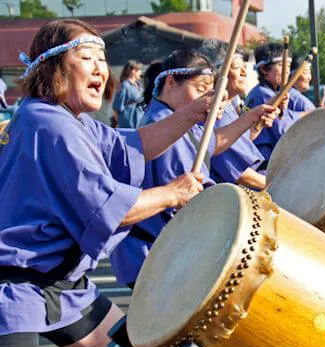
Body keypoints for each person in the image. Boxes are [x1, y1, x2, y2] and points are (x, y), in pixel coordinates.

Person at [0, 19, 220, 347]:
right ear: (53, 67)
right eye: (87, 57)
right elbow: (111, 208)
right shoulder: (49, 125)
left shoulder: (72, 120)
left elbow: (135, 145)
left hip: (59, 282)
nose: (101, 68)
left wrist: (192, 113)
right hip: (14, 284)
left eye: (103, 58)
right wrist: (173, 193)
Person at [109, 48, 277, 289]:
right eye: (199, 89)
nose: (204, 97)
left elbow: (211, 143)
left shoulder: (176, 118)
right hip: (152, 255)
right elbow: (186, 196)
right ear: (170, 82)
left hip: (167, 249)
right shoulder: (163, 124)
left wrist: (252, 118)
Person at [210, 51, 267, 190]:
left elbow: (241, 143)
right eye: (237, 67)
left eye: (244, 68)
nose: (244, 73)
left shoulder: (229, 107)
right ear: (219, 74)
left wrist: (259, 124)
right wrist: (277, 184)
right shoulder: (217, 114)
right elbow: (240, 174)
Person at [245, 42, 296, 171]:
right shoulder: (263, 95)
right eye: (281, 65)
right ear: (263, 69)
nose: (286, 70)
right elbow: (284, 133)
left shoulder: (270, 93)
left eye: (288, 65)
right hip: (263, 167)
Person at [112, 60, 144, 128]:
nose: (140, 72)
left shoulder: (139, 85)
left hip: (140, 124)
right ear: (133, 71)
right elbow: (116, 108)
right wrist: (119, 124)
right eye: (139, 70)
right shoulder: (125, 85)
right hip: (128, 125)